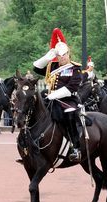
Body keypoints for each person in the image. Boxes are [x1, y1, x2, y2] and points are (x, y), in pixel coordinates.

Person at [33, 28, 82, 162]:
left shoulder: (75, 68)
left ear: (68, 53)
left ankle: (75, 147)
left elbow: (71, 87)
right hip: (50, 98)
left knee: (70, 113)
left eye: (64, 55)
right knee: (32, 111)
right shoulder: (52, 66)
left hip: (67, 100)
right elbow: (36, 68)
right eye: (59, 55)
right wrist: (47, 57)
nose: (62, 57)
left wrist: (52, 96)